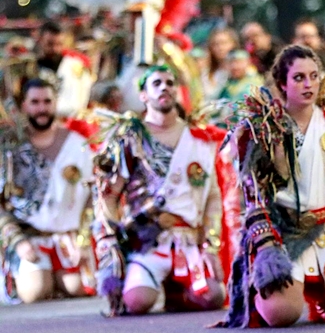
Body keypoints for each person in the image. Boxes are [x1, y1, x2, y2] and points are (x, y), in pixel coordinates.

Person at [218, 45, 325, 328]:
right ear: (282, 83)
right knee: (281, 315)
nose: (308, 84)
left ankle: (324, 295)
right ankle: (260, 288)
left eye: (314, 76)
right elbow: (252, 198)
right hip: (281, 234)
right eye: (299, 78)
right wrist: (266, 248)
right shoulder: (263, 130)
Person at [92, 65, 230, 316]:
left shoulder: (200, 138)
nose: (164, 87)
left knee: (214, 297)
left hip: (188, 240)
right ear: (143, 95)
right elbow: (109, 195)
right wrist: (114, 246)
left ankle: (176, 288)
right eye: (156, 84)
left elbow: (212, 197)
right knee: (137, 302)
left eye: (170, 82)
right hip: (147, 240)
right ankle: (146, 280)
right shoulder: (129, 138)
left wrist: (210, 244)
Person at [0, 79, 95, 304]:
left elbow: (93, 195)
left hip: (67, 238)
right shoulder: (9, 148)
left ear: (55, 103)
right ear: (24, 106)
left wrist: (83, 240)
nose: (41, 108)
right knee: (36, 292)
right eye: (35, 102)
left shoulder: (78, 144)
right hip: (27, 237)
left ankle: (58, 279)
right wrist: (16, 241)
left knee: (80, 288)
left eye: (47, 101)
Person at [36, 20, 95, 117]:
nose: (55, 49)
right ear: (40, 40)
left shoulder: (76, 66)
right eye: (50, 44)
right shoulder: (32, 69)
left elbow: (80, 101)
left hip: (71, 122)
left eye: (59, 44)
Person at [202, 27, 238, 101]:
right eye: (215, 44)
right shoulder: (205, 72)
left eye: (224, 43)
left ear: (233, 44)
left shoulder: (240, 71)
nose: (220, 47)